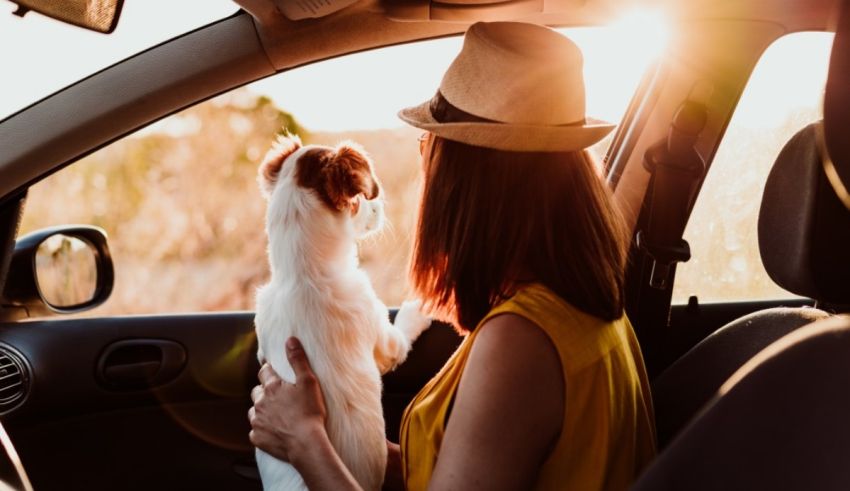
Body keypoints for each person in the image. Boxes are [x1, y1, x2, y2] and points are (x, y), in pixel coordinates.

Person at [248, 21, 656, 491]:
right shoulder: (579, 313)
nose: (425, 163)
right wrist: (344, 440)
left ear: (465, 181)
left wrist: (305, 442)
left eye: (429, 146)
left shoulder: (520, 343)